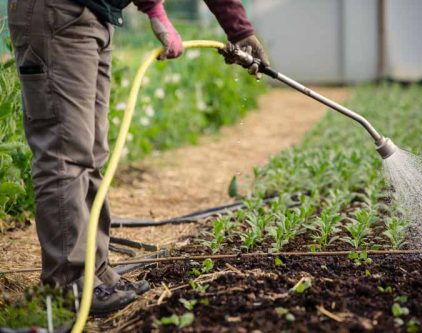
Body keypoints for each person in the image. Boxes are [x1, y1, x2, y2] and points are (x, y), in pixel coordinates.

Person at [7, 0, 269, 314]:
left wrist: (238, 30)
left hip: (94, 14)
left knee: (90, 153)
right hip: (59, 11)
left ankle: (95, 270)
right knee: (67, 154)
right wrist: (157, 10)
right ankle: (69, 283)